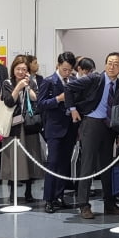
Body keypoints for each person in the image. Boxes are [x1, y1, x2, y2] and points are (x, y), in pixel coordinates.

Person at [65, 52, 119, 219]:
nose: (112, 66)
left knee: (107, 167)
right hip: (91, 123)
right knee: (87, 165)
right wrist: (73, 110)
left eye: (116, 64)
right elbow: (68, 88)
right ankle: (84, 205)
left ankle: (110, 204)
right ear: (105, 64)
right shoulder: (94, 79)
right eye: (109, 62)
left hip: (109, 127)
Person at [37, 51, 78, 214]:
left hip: (70, 127)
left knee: (64, 164)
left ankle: (60, 195)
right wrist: (58, 99)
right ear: (58, 66)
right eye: (65, 69)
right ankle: (49, 199)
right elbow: (41, 104)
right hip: (54, 128)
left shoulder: (74, 81)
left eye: (70, 69)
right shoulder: (49, 81)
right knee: (52, 163)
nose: (67, 73)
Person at [0, 55, 44, 203]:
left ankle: (29, 192)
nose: (20, 72)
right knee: (14, 160)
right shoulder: (7, 83)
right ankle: (12, 192)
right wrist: (18, 87)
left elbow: (35, 98)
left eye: (23, 69)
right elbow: (9, 102)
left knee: (30, 158)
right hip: (14, 126)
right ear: (13, 69)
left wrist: (28, 86)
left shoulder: (31, 82)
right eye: (18, 69)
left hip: (29, 125)